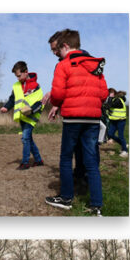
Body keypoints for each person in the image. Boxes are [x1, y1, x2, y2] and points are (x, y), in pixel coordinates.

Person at [45, 29, 109, 216]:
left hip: (73, 118)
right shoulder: (96, 66)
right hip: (93, 119)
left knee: (66, 158)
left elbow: (57, 94)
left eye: (59, 50)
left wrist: (56, 104)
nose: (58, 55)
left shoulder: (64, 65)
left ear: (66, 46)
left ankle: (66, 198)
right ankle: (96, 204)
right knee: (91, 162)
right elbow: (104, 94)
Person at [0, 61, 44, 169]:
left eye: (19, 75)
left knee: (25, 138)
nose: (18, 78)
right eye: (16, 76)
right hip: (22, 117)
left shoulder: (36, 86)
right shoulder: (16, 86)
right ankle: (39, 160)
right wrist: (6, 107)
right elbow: (12, 99)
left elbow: (40, 102)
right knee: (28, 139)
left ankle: (25, 163)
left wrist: (31, 110)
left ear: (26, 72)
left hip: (31, 117)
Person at [104, 89, 128, 157]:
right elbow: (108, 106)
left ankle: (125, 151)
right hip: (114, 120)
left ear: (114, 93)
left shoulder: (118, 100)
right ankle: (123, 144)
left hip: (121, 120)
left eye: (111, 93)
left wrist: (109, 100)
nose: (110, 94)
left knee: (121, 136)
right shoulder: (113, 99)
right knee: (110, 134)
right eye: (109, 93)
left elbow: (110, 105)